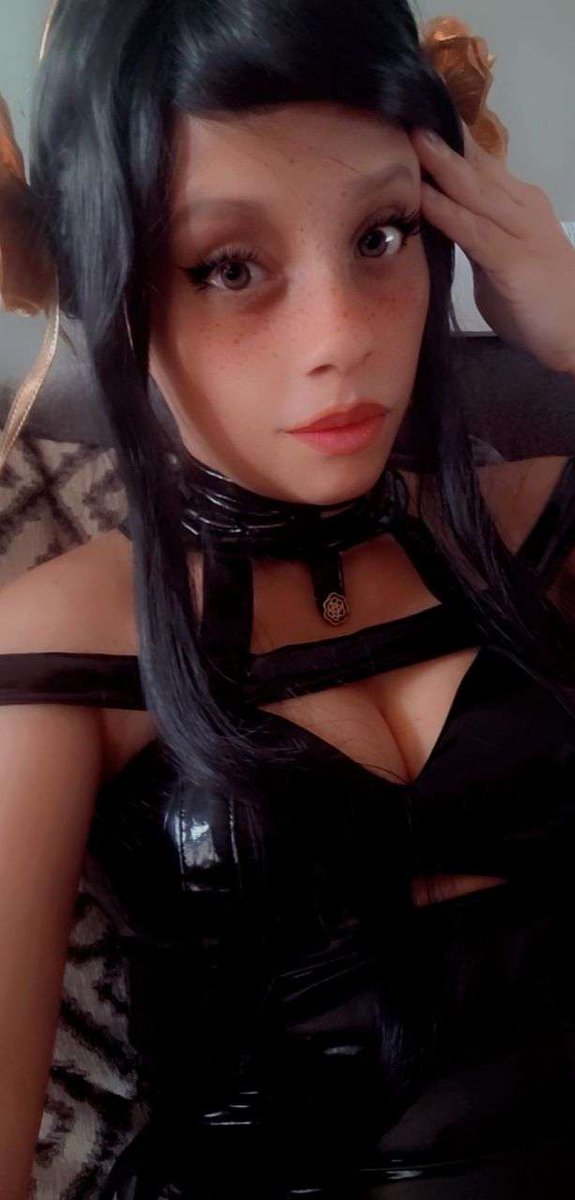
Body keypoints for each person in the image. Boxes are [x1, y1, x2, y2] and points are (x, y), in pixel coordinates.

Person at [1, 1, 575, 1196]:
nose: (340, 338)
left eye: (379, 235)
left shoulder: (543, 529)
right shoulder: (65, 635)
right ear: (108, 278)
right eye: (226, 266)